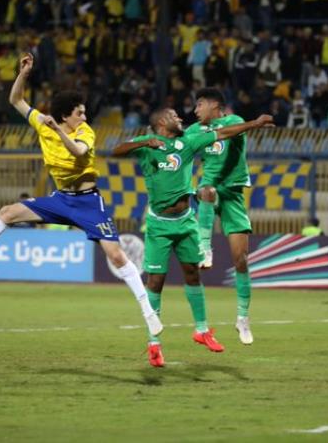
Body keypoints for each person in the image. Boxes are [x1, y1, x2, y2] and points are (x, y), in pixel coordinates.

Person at [0, 53, 163, 341]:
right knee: (7, 212)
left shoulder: (85, 132)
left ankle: (148, 312)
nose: (84, 117)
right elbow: (16, 100)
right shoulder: (44, 123)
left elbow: (78, 151)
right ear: (65, 115)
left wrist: (57, 129)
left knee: (116, 255)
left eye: (84, 112)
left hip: (88, 202)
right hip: (61, 200)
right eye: (79, 112)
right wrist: (24, 74)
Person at [112, 108, 274, 367]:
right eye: (174, 116)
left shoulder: (187, 142)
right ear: (162, 122)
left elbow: (223, 133)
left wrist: (254, 122)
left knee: (192, 274)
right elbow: (116, 150)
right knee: (155, 281)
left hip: (186, 222)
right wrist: (144, 142)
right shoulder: (147, 145)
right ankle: (154, 343)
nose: (180, 118)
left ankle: (201, 330)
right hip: (159, 225)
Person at [184, 88, 257, 345]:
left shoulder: (234, 121)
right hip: (210, 191)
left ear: (214, 105)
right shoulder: (195, 130)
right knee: (206, 190)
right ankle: (205, 248)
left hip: (233, 195)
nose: (195, 110)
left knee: (241, 260)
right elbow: (178, 147)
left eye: (199, 105)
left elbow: (234, 132)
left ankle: (243, 318)